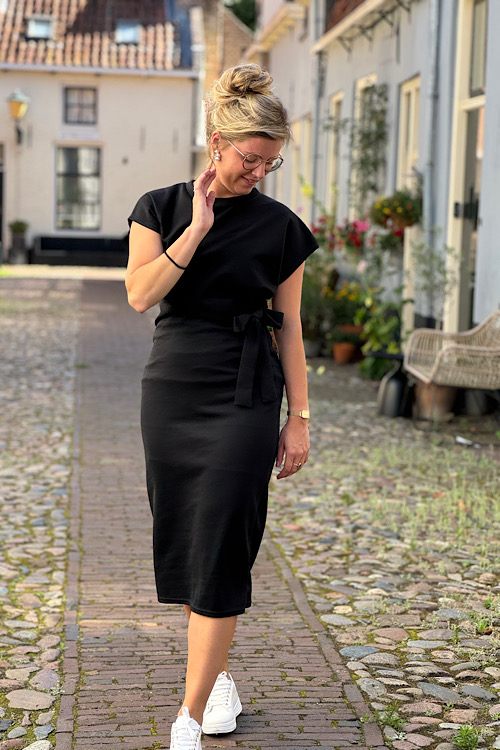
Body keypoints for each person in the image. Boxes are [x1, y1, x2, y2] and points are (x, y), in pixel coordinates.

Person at [126, 63, 318, 750]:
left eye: (271, 163)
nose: (259, 173)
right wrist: (198, 227)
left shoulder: (283, 229)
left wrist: (298, 419)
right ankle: (219, 680)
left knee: (222, 547)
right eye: (250, 159)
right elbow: (140, 295)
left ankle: (187, 719)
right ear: (217, 142)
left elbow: (290, 327)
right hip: (173, 392)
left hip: (245, 396)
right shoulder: (158, 208)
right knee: (187, 541)